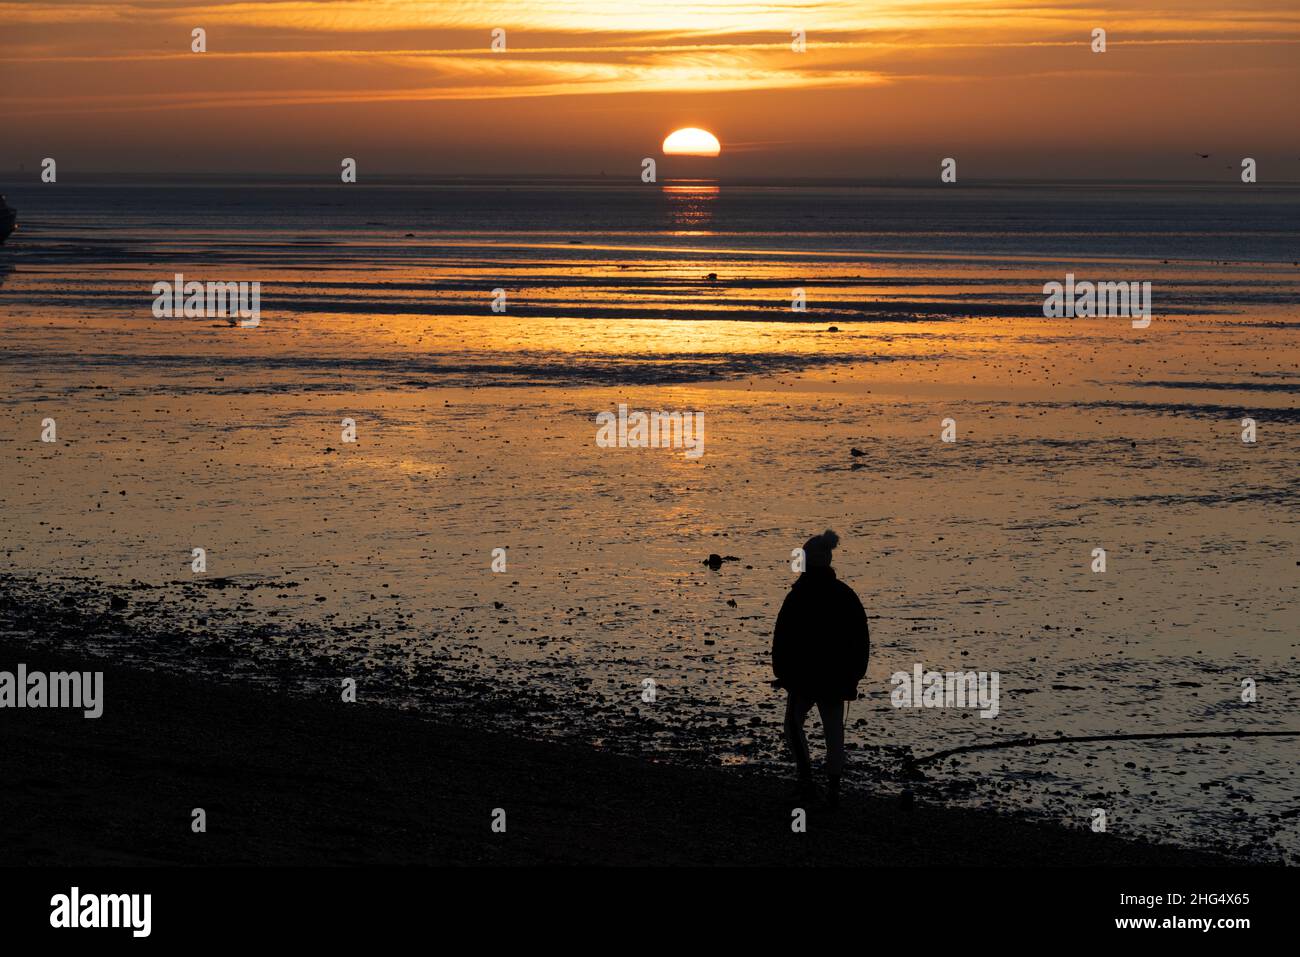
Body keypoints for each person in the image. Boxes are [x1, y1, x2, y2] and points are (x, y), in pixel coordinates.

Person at [772, 529, 870, 808]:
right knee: (833, 730)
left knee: (793, 726)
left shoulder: (798, 595)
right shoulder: (845, 595)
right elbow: (860, 640)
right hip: (837, 678)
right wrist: (855, 674)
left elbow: (783, 638)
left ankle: (806, 782)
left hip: (803, 678)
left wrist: (782, 672)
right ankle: (834, 790)